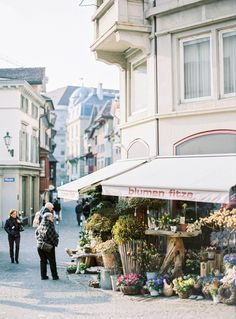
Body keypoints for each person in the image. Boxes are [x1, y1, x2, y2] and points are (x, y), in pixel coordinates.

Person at [35, 212, 59, 280]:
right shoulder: (50, 225)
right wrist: (55, 242)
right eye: (51, 217)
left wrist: (39, 240)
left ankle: (43, 276)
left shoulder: (40, 225)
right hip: (48, 246)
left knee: (43, 261)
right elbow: (51, 236)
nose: (53, 218)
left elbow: (36, 233)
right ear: (48, 218)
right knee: (52, 261)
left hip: (39, 245)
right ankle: (55, 276)